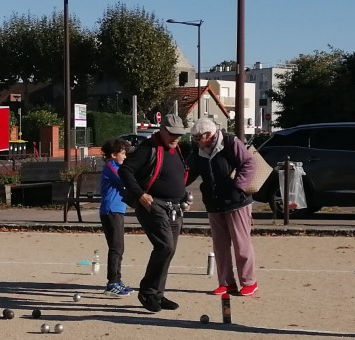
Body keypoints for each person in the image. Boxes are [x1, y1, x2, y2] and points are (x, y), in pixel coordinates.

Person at [119, 113, 190, 313]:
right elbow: (125, 171)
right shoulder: (148, 147)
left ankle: (158, 294)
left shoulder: (177, 150)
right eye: (172, 134)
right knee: (165, 246)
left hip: (175, 208)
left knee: (169, 250)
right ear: (162, 130)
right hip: (153, 205)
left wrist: (183, 197)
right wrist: (140, 195)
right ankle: (147, 292)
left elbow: (176, 176)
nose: (176, 138)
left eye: (180, 134)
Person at [186, 117, 259, 297]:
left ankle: (249, 282)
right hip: (213, 203)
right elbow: (188, 172)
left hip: (237, 202)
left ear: (208, 134)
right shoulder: (199, 152)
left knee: (242, 244)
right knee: (220, 246)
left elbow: (249, 163)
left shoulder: (230, 142)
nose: (196, 141)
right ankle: (226, 283)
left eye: (198, 137)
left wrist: (238, 186)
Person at [98, 138, 134, 297]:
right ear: (113, 155)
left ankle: (117, 281)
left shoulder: (117, 166)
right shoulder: (111, 167)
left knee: (119, 247)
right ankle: (112, 283)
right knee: (116, 247)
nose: (125, 157)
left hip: (117, 210)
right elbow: (124, 180)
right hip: (111, 210)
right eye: (123, 153)